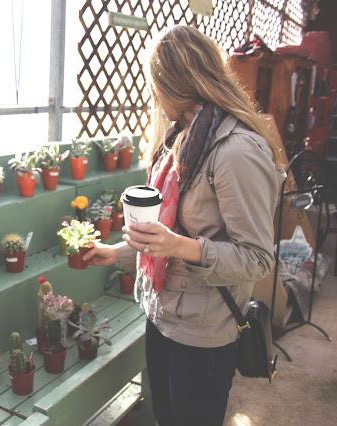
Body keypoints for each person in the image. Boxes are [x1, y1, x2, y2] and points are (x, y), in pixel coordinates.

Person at [83, 25, 286, 426]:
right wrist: (115, 253)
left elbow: (258, 258)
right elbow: (171, 233)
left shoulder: (236, 150)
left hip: (204, 334)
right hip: (162, 316)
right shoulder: (182, 136)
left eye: (155, 85)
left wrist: (179, 246)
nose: (154, 96)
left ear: (173, 84)